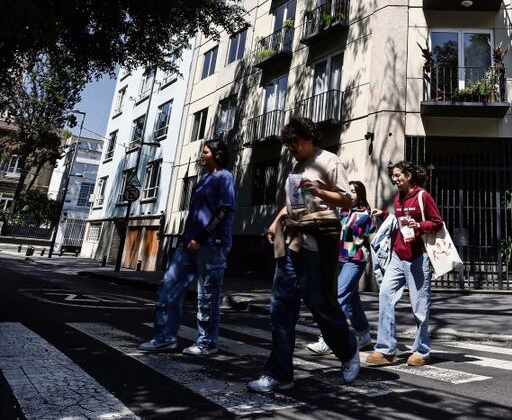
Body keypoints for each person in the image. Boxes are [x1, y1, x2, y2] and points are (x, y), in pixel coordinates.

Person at [248, 115, 360, 393]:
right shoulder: (297, 166)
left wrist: (320, 190)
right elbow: (293, 205)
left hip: (317, 242)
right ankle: (280, 374)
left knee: (320, 304)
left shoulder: (329, 160)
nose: (291, 148)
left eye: (295, 142)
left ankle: (348, 350)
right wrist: (275, 222)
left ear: (309, 137)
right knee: (281, 308)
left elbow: (348, 199)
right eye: (288, 145)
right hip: (291, 240)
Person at [139, 139, 235, 356]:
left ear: (217, 155)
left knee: (207, 296)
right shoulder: (203, 179)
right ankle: (165, 338)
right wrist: (186, 238)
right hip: (188, 244)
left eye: (206, 152)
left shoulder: (225, 177)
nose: (202, 155)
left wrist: (200, 238)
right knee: (168, 287)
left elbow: (223, 211)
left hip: (211, 244)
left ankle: (207, 343)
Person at [366, 161, 443, 367]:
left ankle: (421, 351)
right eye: (393, 175)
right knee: (385, 296)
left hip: (418, 257)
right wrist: (384, 215)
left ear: (409, 175)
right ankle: (385, 349)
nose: (394, 179)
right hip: (398, 257)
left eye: (398, 175)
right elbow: (398, 222)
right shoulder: (398, 198)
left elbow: (437, 222)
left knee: (419, 306)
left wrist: (419, 225)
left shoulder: (422, 196)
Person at [306, 180, 375, 355]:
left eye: (354, 191)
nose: (350, 194)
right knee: (352, 301)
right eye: (348, 191)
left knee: (338, 297)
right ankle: (364, 335)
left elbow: (373, 238)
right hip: (339, 259)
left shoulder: (365, 214)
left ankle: (328, 340)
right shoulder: (341, 211)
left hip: (355, 259)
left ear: (360, 194)